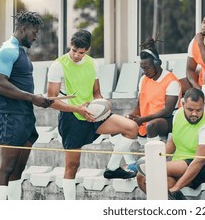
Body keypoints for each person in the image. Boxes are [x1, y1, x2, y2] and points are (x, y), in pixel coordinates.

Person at [46, 29, 138, 200]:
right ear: (70, 46)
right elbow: (51, 101)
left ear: (87, 50)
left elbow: (97, 93)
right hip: (71, 118)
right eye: (73, 50)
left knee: (131, 128)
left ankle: (112, 169)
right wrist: (77, 109)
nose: (76, 55)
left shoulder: (93, 63)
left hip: (93, 115)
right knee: (72, 166)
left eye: (80, 52)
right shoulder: (57, 66)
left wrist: (102, 106)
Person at [0, 11, 53, 200]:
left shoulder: (20, 51)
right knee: (7, 168)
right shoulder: (7, 49)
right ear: (23, 28)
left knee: (18, 169)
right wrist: (32, 97)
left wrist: (38, 99)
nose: (36, 37)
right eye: (34, 32)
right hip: (11, 117)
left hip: (25, 116)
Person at [136, 88, 205, 200]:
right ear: (183, 104)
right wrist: (157, 158)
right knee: (142, 178)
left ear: (204, 105)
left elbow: (199, 161)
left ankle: (173, 196)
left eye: (199, 110)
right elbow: (172, 143)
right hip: (183, 163)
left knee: (151, 168)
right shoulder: (178, 114)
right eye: (190, 109)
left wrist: (176, 188)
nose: (194, 114)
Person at [121, 37, 182, 172]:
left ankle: (151, 161)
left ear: (157, 63)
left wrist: (142, 119)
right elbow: (139, 105)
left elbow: (167, 110)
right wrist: (131, 116)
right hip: (147, 117)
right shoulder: (143, 79)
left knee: (151, 126)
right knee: (121, 123)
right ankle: (131, 164)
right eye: (142, 68)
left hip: (169, 120)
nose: (144, 71)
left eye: (147, 68)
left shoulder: (171, 81)